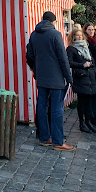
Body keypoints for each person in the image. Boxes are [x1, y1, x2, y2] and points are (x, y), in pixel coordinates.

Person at [26, 11, 74, 151]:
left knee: (41, 107)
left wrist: (36, 71)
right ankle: (58, 141)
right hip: (56, 78)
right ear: (54, 21)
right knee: (56, 109)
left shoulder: (34, 34)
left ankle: (45, 138)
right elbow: (63, 58)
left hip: (41, 77)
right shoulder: (55, 34)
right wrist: (69, 78)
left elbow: (29, 55)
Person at [67, 28, 96, 133]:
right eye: (77, 35)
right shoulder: (71, 49)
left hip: (90, 78)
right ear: (73, 37)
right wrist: (82, 65)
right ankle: (82, 123)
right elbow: (69, 62)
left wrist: (93, 70)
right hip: (81, 78)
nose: (80, 37)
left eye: (81, 35)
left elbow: (92, 60)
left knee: (89, 101)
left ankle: (88, 122)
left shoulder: (86, 47)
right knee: (82, 101)